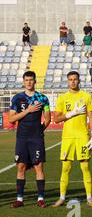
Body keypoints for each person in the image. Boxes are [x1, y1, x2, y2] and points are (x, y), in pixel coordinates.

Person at [53, 71, 92, 207]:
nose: (73, 81)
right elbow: (56, 119)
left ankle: (89, 197)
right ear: (67, 81)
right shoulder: (62, 98)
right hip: (68, 137)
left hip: (83, 136)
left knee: (85, 166)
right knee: (65, 167)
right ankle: (61, 198)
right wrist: (72, 113)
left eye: (75, 79)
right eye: (70, 79)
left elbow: (90, 116)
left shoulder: (86, 96)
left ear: (79, 80)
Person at [9, 71, 51, 208]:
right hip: (22, 138)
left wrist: (39, 131)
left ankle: (40, 198)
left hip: (36, 138)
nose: (29, 82)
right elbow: (11, 119)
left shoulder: (43, 98)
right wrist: (28, 110)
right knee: (20, 167)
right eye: (26, 80)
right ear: (23, 81)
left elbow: (48, 118)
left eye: (31, 80)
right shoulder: (17, 98)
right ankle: (19, 199)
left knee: (39, 166)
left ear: (35, 81)